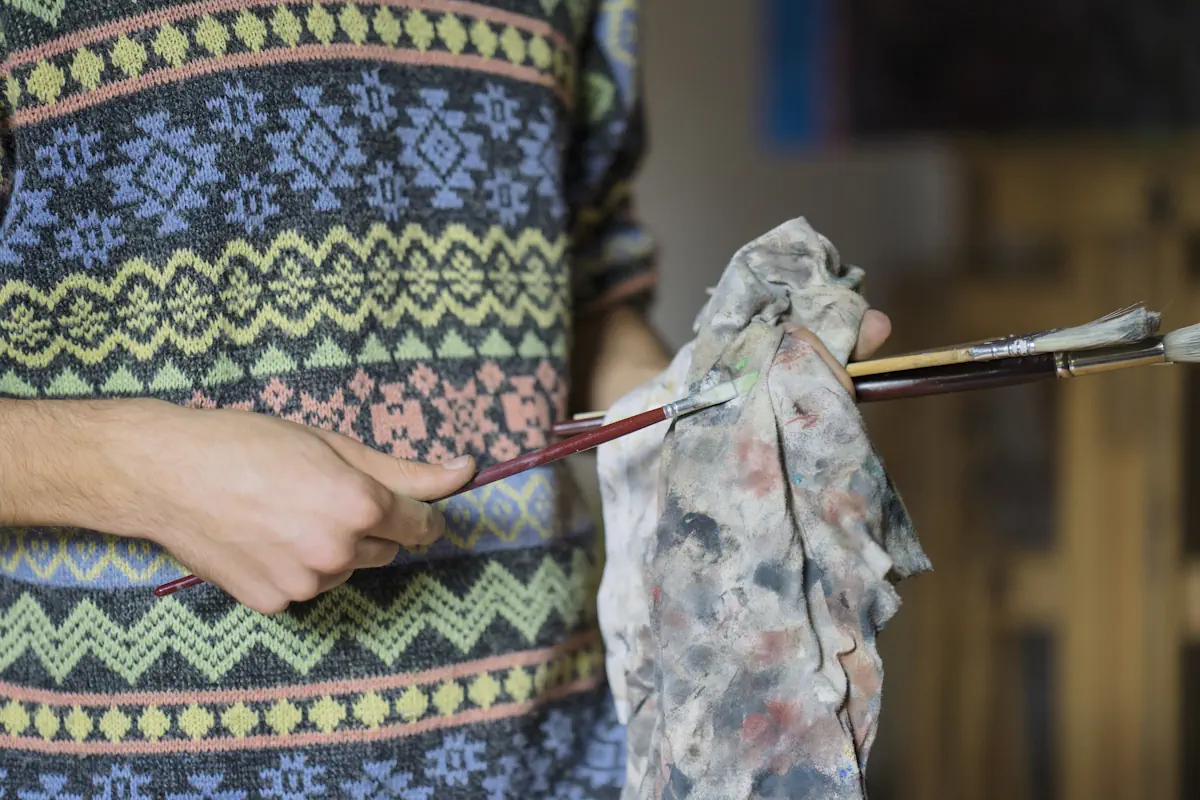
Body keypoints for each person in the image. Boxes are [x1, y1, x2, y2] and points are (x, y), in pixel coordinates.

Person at [0, 0, 889, 793]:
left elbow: (578, 297)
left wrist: (739, 412)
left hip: (552, 752)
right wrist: (135, 467)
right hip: (123, 762)